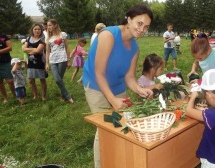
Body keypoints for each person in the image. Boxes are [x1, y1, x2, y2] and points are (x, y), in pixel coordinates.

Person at [82, 5, 154, 168]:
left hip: (117, 86)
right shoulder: (109, 35)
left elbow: (129, 77)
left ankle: (119, 161)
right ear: (129, 19)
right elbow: (99, 73)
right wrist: (112, 99)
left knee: (122, 124)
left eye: (146, 27)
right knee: (105, 128)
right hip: (96, 85)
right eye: (139, 23)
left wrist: (140, 89)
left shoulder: (135, 48)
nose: (142, 30)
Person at [45, 19, 73, 103]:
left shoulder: (62, 34)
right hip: (53, 60)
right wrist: (47, 63)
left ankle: (63, 96)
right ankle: (68, 96)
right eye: (47, 25)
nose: (48, 27)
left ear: (55, 25)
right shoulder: (48, 38)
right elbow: (47, 51)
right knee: (57, 79)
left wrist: (68, 60)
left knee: (59, 79)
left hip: (63, 59)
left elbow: (67, 47)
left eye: (50, 25)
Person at [22, 23, 47, 101]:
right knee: (31, 80)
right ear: (32, 30)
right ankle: (35, 95)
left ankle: (43, 96)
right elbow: (23, 49)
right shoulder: (29, 38)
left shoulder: (43, 39)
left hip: (40, 61)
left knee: (42, 79)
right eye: (35, 29)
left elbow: (38, 50)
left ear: (41, 30)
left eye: (39, 29)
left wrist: (30, 49)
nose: (37, 31)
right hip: (30, 62)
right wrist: (34, 50)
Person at [0, 19, 15, 103]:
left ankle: (15, 95)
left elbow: (10, 47)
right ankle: (5, 98)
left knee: (10, 81)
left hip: (5, 62)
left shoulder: (3, 36)